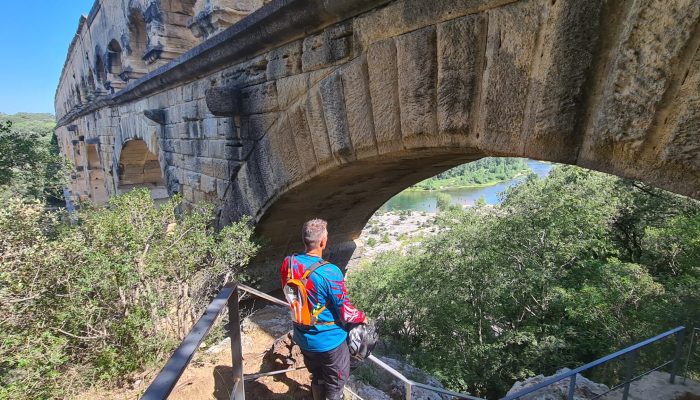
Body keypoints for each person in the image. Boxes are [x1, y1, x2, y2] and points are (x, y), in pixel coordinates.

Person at [280, 219, 367, 400]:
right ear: (322, 242)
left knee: (318, 377)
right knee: (335, 387)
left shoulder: (288, 263)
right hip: (329, 341)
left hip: (302, 336)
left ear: (305, 239)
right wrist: (363, 317)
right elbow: (346, 312)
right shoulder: (330, 272)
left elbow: (289, 293)